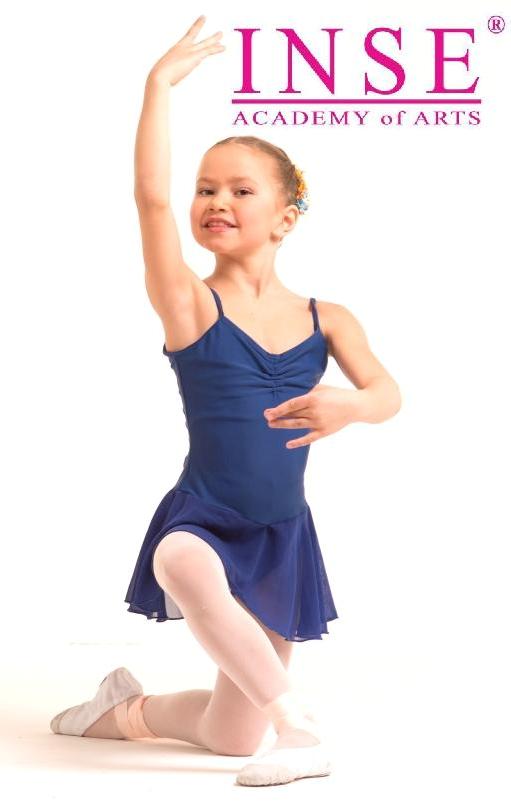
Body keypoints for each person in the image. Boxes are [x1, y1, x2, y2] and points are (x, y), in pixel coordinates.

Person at [50, 15, 401, 787]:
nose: (216, 199)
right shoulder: (190, 306)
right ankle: (300, 727)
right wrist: (158, 85)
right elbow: (150, 201)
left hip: (280, 534)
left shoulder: (329, 319)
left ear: (285, 217)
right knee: (179, 559)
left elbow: (387, 393)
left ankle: (124, 712)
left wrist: (349, 406)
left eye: (241, 190)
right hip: (205, 519)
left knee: (230, 735)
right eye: (206, 189)